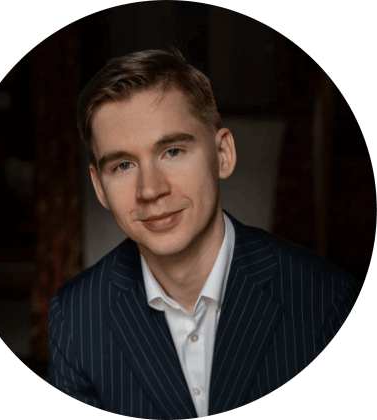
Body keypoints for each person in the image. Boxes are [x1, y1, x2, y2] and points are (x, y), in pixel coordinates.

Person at [47, 46, 359, 418]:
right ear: (100, 188)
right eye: (124, 165)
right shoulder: (76, 315)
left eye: (172, 151)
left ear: (223, 153)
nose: (150, 189)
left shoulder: (325, 299)